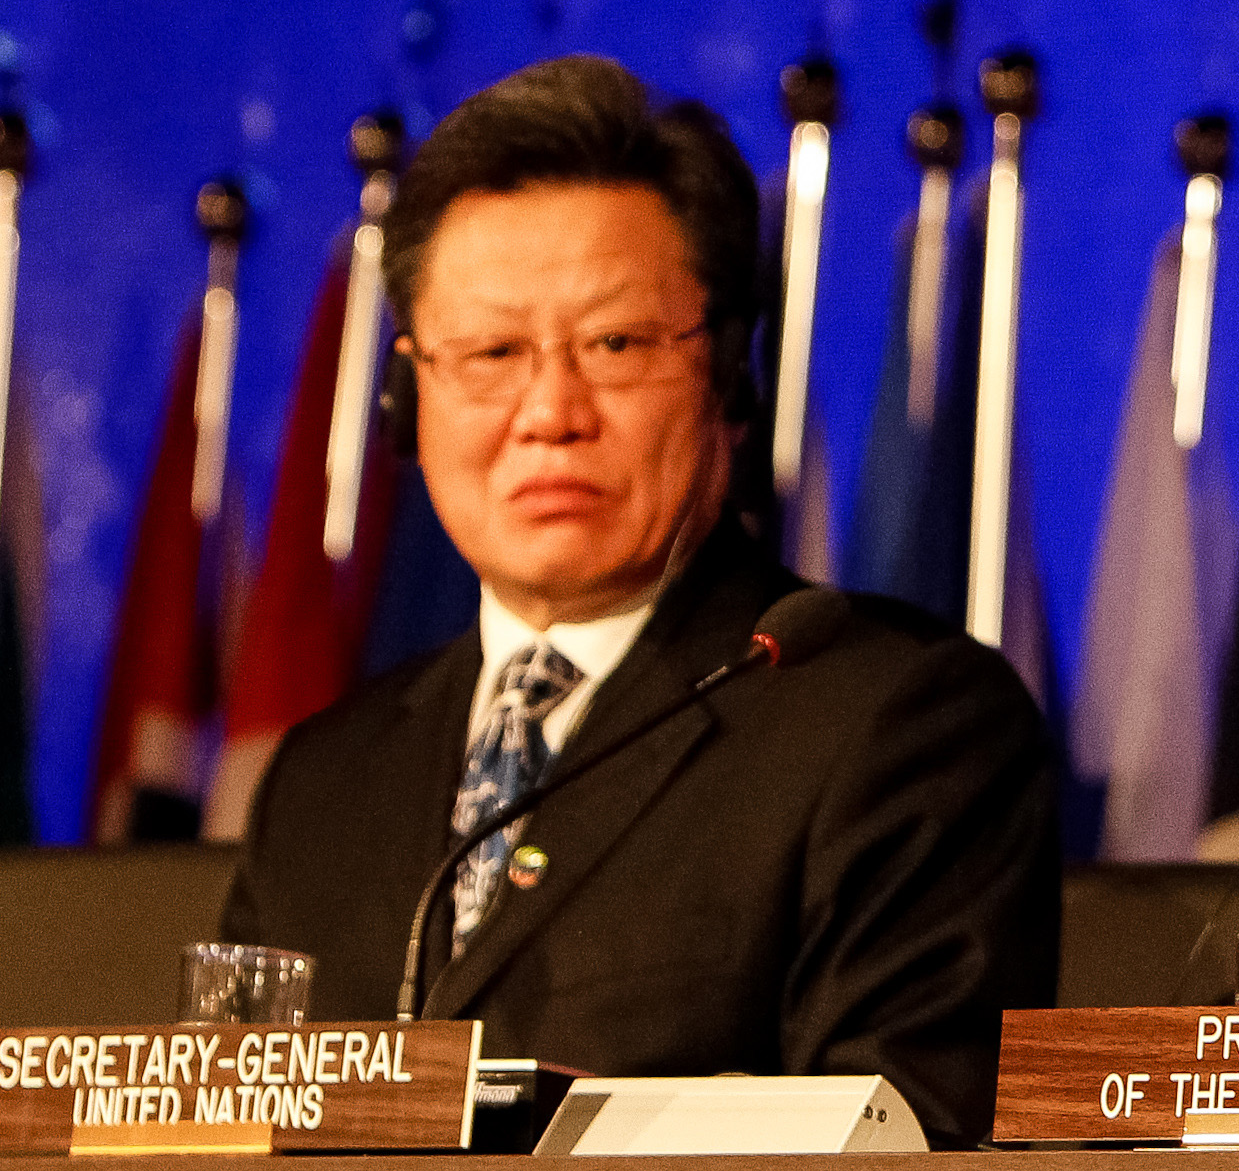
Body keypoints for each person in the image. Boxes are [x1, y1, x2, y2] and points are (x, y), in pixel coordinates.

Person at [221, 56, 1056, 1142]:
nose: (549, 411)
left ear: (731, 381)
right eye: (490, 352)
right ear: (405, 397)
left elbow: (906, 1139)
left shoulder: (904, 726)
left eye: (614, 344)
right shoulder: (325, 779)